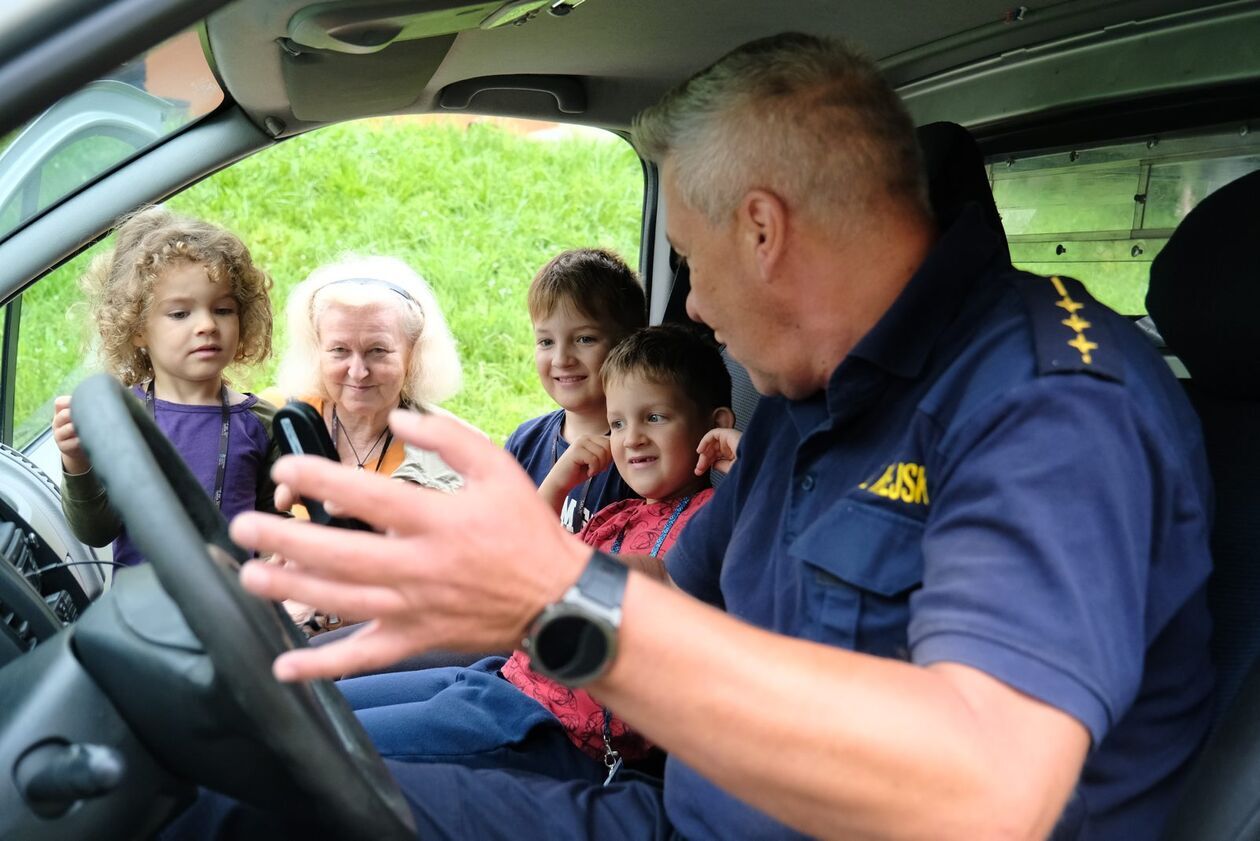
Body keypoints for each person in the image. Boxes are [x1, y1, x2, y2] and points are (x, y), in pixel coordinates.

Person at [191, 32, 1213, 840]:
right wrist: (472, 583)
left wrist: (558, 599)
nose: (693, 307)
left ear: (762, 230)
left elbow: (991, 787)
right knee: (246, 795)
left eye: (688, 258)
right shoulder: (816, 396)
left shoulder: (1050, 401)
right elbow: (678, 590)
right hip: (677, 809)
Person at [338, 324, 735, 779]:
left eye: (655, 418)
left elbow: (746, 531)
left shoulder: (711, 520)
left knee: (325, 744)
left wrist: (745, 462)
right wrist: (559, 480)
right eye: (619, 423)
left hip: (547, 729)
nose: (632, 439)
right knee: (312, 707)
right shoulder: (618, 514)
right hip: (500, 680)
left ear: (715, 426)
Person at [54, 206, 278, 569]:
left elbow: (274, 527)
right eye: (180, 314)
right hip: (144, 616)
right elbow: (97, 531)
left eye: (223, 309)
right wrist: (76, 461)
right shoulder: (121, 417)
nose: (206, 325)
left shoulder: (262, 423)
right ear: (138, 329)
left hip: (236, 615)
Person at [505, 247, 645, 534]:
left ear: (628, 342)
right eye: (546, 342)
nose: (561, 359)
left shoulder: (639, 453)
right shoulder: (525, 442)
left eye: (584, 339)